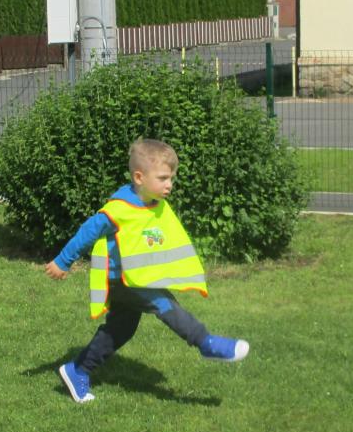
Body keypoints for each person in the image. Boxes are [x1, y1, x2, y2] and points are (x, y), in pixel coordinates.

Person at [46, 138, 249, 403]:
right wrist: (63, 261)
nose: (169, 184)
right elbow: (88, 232)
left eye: (171, 178)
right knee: (164, 304)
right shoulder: (119, 209)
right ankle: (205, 343)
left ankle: (78, 370)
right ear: (139, 177)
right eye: (163, 178)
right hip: (124, 280)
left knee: (121, 330)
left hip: (136, 278)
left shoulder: (156, 204)